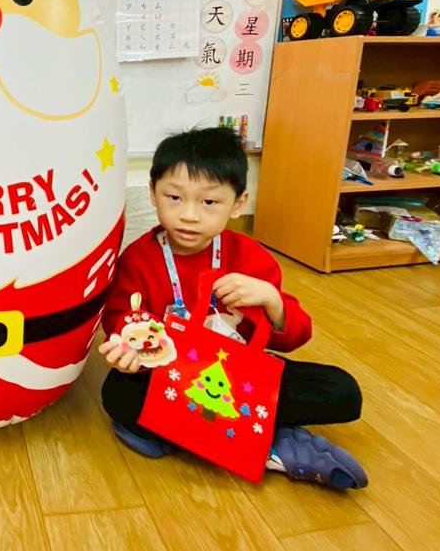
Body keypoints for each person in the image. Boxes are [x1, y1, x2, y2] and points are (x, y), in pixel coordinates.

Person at [99, 127, 367, 490]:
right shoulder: (137, 260)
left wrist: (272, 300)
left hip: (238, 379)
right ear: (152, 193)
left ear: (238, 204)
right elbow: (122, 320)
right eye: (174, 198)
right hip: (172, 378)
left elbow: (294, 337)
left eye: (209, 202)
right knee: (118, 391)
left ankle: (185, 432)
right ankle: (270, 442)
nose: (189, 215)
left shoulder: (251, 258)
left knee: (341, 390)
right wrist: (128, 351)